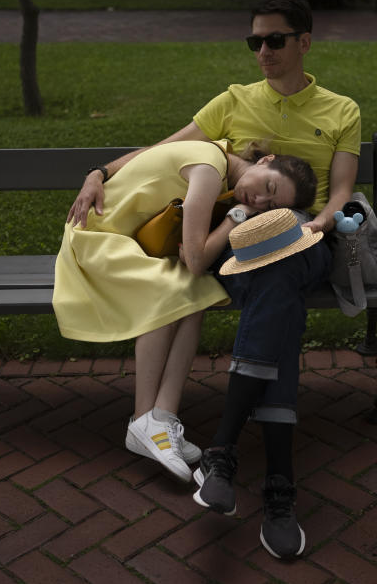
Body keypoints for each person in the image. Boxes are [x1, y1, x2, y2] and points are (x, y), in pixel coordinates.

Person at [66, 0, 360, 560]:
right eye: (255, 41)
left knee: (281, 268)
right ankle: (277, 486)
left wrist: (320, 223)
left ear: (304, 41)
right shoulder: (233, 101)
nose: (263, 52)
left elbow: (342, 189)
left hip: (307, 238)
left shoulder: (341, 110)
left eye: (275, 40)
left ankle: (226, 452)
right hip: (237, 243)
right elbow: (169, 147)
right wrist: (99, 171)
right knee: (279, 294)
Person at [53, 139, 317, 483]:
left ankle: (160, 417)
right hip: (99, 238)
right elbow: (195, 261)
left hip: (128, 241)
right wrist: (235, 220)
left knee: (199, 294)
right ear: (265, 160)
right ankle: (142, 418)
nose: (260, 202)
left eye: (270, 204)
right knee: (175, 287)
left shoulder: (218, 163)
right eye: (268, 187)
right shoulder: (209, 170)